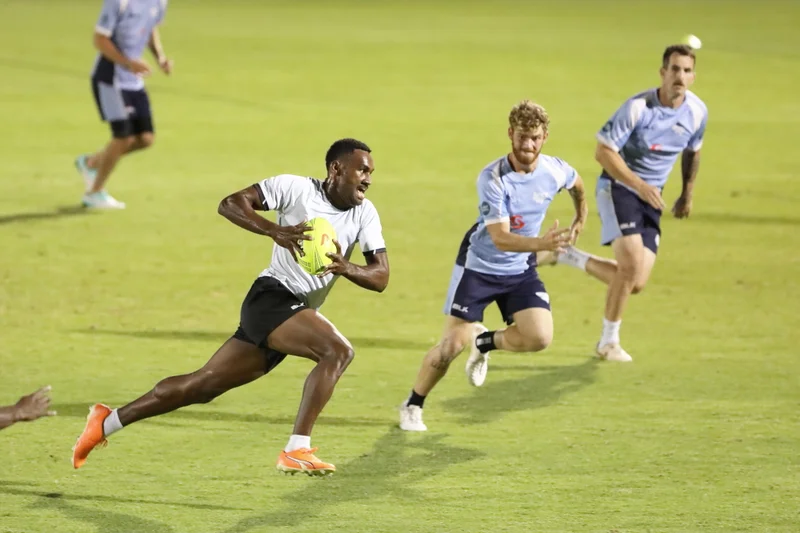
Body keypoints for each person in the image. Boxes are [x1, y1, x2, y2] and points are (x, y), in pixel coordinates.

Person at [72, 138, 389, 476]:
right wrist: (275, 231)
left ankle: (106, 422)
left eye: (371, 172)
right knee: (337, 352)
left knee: (202, 386)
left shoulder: (365, 213)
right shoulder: (295, 189)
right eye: (362, 170)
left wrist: (346, 267)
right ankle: (297, 449)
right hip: (272, 297)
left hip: (294, 310)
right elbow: (231, 204)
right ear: (336, 168)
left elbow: (380, 276)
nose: (368, 179)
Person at [398, 100, 587, 432]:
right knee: (451, 347)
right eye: (522, 137)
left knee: (539, 337)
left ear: (544, 137)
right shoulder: (493, 178)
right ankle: (413, 404)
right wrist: (543, 245)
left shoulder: (554, 170)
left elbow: (578, 185)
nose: (527, 146)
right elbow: (500, 238)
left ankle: (484, 342)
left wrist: (580, 218)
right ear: (510, 134)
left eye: (535, 138)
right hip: (480, 267)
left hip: (520, 268)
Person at [547, 44, 708, 362]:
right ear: (663, 73)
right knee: (630, 266)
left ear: (693, 77)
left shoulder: (697, 112)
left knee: (635, 282)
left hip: (651, 196)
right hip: (618, 187)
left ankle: (564, 255)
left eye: (687, 71)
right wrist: (639, 185)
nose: (680, 76)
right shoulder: (638, 108)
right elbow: (603, 152)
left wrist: (686, 193)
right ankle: (608, 342)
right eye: (674, 69)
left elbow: (693, 151)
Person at [74, 0, 173, 209]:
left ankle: (91, 163)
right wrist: (128, 62)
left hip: (133, 80)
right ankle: (94, 193)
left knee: (145, 139)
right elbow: (100, 39)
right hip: (111, 79)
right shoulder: (119, 2)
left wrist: (160, 58)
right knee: (123, 137)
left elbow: (149, 26)